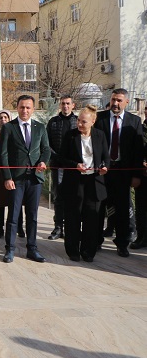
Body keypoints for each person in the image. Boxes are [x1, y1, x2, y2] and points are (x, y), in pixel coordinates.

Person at [0, 95, 50, 263]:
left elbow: (46, 149)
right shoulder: (9, 127)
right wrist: (7, 177)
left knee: (32, 215)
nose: (25, 110)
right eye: (22, 107)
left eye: (28, 107)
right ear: (17, 108)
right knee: (13, 215)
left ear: (33, 109)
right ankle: (10, 249)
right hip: (16, 179)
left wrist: (43, 161)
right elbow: (3, 154)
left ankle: (32, 248)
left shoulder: (40, 128)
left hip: (34, 178)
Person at [95, 88, 143, 257]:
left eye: (119, 100)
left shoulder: (134, 121)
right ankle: (96, 240)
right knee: (99, 207)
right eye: (113, 99)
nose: (115, 103)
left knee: (122, 209)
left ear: (127, 102)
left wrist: (136, 175)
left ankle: (122, 244)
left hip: (123, 173)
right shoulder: (99, 119)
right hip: (101, 172)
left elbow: (138, 150)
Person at [58, 105, 109, 262]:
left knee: (91, 219)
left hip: (94, 182)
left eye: (84, 122)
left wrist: (105, 167)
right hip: (75, 182)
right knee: (73, 218)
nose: (79, 124)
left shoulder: (100, 135)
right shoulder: (70, 136)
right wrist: (75, 165)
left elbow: (106, 157)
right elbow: (60, 158)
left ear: (93, 121)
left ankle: (88, 251)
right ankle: (73, 250)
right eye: (78, 121)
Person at [0, 110, 24, 239]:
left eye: (5, 117)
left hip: (13, 170)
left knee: (16, 199)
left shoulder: (16, 131)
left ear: (9, 118)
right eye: (1, 117)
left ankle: (19, 226)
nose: (3, 119)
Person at [46, 95, 77, 240]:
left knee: (73, 197)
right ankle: (58, 227)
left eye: (68, 104)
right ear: (60, 105)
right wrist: (57, 158)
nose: (65, 106)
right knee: (58, 197)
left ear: (73, 105)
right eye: (63, 103)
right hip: (57, 165)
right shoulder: (53, 122)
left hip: (74, 167)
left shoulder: (77, 122)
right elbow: (46, 144)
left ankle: (72, 228)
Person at [131, 106, 147, 250]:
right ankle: (141, 237)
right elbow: (136, 151)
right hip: (142, 176)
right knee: (141, 209)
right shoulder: (140, 129)